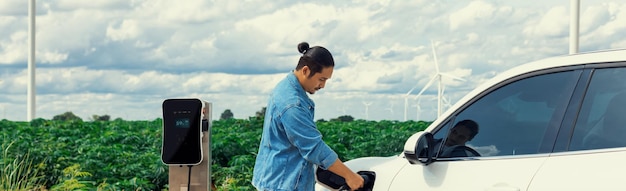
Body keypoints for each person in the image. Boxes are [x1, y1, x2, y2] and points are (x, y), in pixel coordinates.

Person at [252, 42, 364, 191]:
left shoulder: (285, 87)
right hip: (283, 184)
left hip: (274, 178)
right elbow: (313, 148)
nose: (323, 85)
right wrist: (350, 176)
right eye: (321, 79)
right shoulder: (292, 104)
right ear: (305, 70)